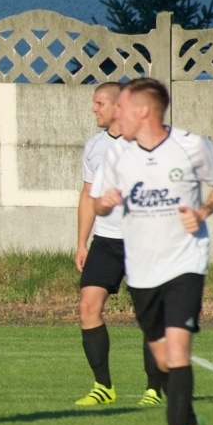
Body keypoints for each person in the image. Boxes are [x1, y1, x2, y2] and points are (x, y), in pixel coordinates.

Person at [91, 78, 213, 425]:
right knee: (163, 360)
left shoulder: (191, 146)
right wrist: (104, 204)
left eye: (121, 106)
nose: (114, 113)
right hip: (141, 271)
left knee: (177, 350)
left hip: (185, 263)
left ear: (143, 111)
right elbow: (100, 205)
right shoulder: (117, 157)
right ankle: (190, 424)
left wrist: (203, 212)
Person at [73, 81, 165, 408]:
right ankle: (103, 386)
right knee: (88, 307)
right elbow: (88, 196)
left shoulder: (147, 143)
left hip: (143, 241)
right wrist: (82, 242)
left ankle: (154, 388)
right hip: (106, 241)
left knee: (150, 315)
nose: (94, 109)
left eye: (99, 103)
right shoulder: (94, 147)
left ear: (117, 107)